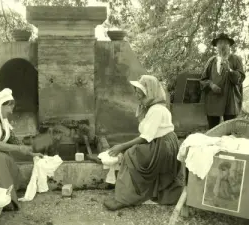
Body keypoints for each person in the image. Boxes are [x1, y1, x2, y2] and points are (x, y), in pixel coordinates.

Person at [103, 75, 183, 211]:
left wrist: (122, 146)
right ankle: (132, 190)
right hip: (160, 142)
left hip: (163, 146)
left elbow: (146, 137)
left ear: (149, 92)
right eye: (136, 91)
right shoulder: (152, 108)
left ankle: (124, 198)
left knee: (130, 155)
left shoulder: (157, 110)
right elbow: (147, 134)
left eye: (139, 91)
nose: (137, 94)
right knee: (131, 150)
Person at [200, 33, 245, 129]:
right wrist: (211, 85)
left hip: (230, 102)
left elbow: (240, 78)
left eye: (225, 43)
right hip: (213, 101)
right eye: (219, 43)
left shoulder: (236, 59)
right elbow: (203, 80)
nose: (222, 45)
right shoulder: (211, 61)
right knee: (213, 130)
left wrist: (229, 70)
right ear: (216, 46)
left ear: (229, 45)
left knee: (230, 132)